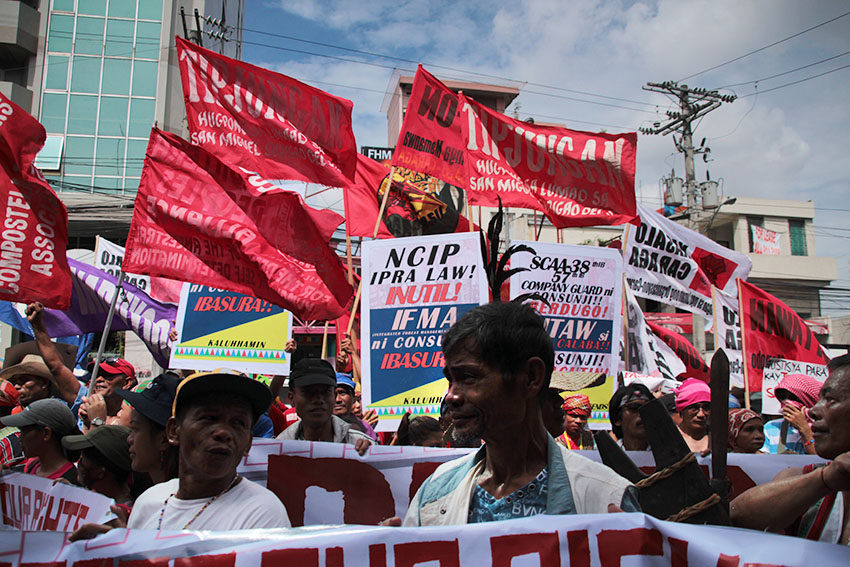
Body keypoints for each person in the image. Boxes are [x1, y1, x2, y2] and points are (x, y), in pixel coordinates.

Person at [402, 302, 639, 526]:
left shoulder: (605, 499)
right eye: (450, 380)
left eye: (469, 377)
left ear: (531, 377)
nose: (452, 396)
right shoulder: (435, 494)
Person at [127, 370, 290, 530]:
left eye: (238, 423)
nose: (223, 433)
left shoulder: (262, 514)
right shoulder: (148, 503)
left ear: (248, 443)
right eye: (209, 418)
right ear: (174, 431)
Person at [730, 354, 850, 544]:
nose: (813, 410)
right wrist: (828, 478)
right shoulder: (805, 478)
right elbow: (739, 516)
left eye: (830, 399)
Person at [277, 359, 372, 455]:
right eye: (309, 392)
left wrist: (371, 457)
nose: (318, 399)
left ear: (334, 396)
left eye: (325, 392)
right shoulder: (278, 450)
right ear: (291, 398)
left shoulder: (359, 445)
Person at [0, 399, 79, 483]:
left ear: (46, 434)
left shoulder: (70, 480)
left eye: (24, 431)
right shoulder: (33, 465)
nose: (19, 438)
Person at [62, 426, 135, 506]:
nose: (79, 464)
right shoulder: (100, 502)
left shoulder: (120, 515)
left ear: (100, 472)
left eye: (83, 459)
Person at [762, 373, 821, 455]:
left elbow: (823, 462)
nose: (787, 402)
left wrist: (804, 429)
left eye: (793, 397)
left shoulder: (825, 428)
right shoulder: (770, 428)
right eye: (783, 397)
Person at [609, 383, 653, 451]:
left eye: (648, 408)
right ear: (617, 419)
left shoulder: (669, 457)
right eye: (634, 407)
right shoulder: (606, 457)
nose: (642, 413)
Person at [333, 372, 376, 439]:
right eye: (333, 394)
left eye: (343, 393)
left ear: (353, 398)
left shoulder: (366, 428)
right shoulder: (318, 425)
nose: (338, 400)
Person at [674, 378, 711, 453]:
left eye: (706, 408)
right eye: (694, 408)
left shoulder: (719, 440)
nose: (701, 414)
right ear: (682, 410)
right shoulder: (667, 439)